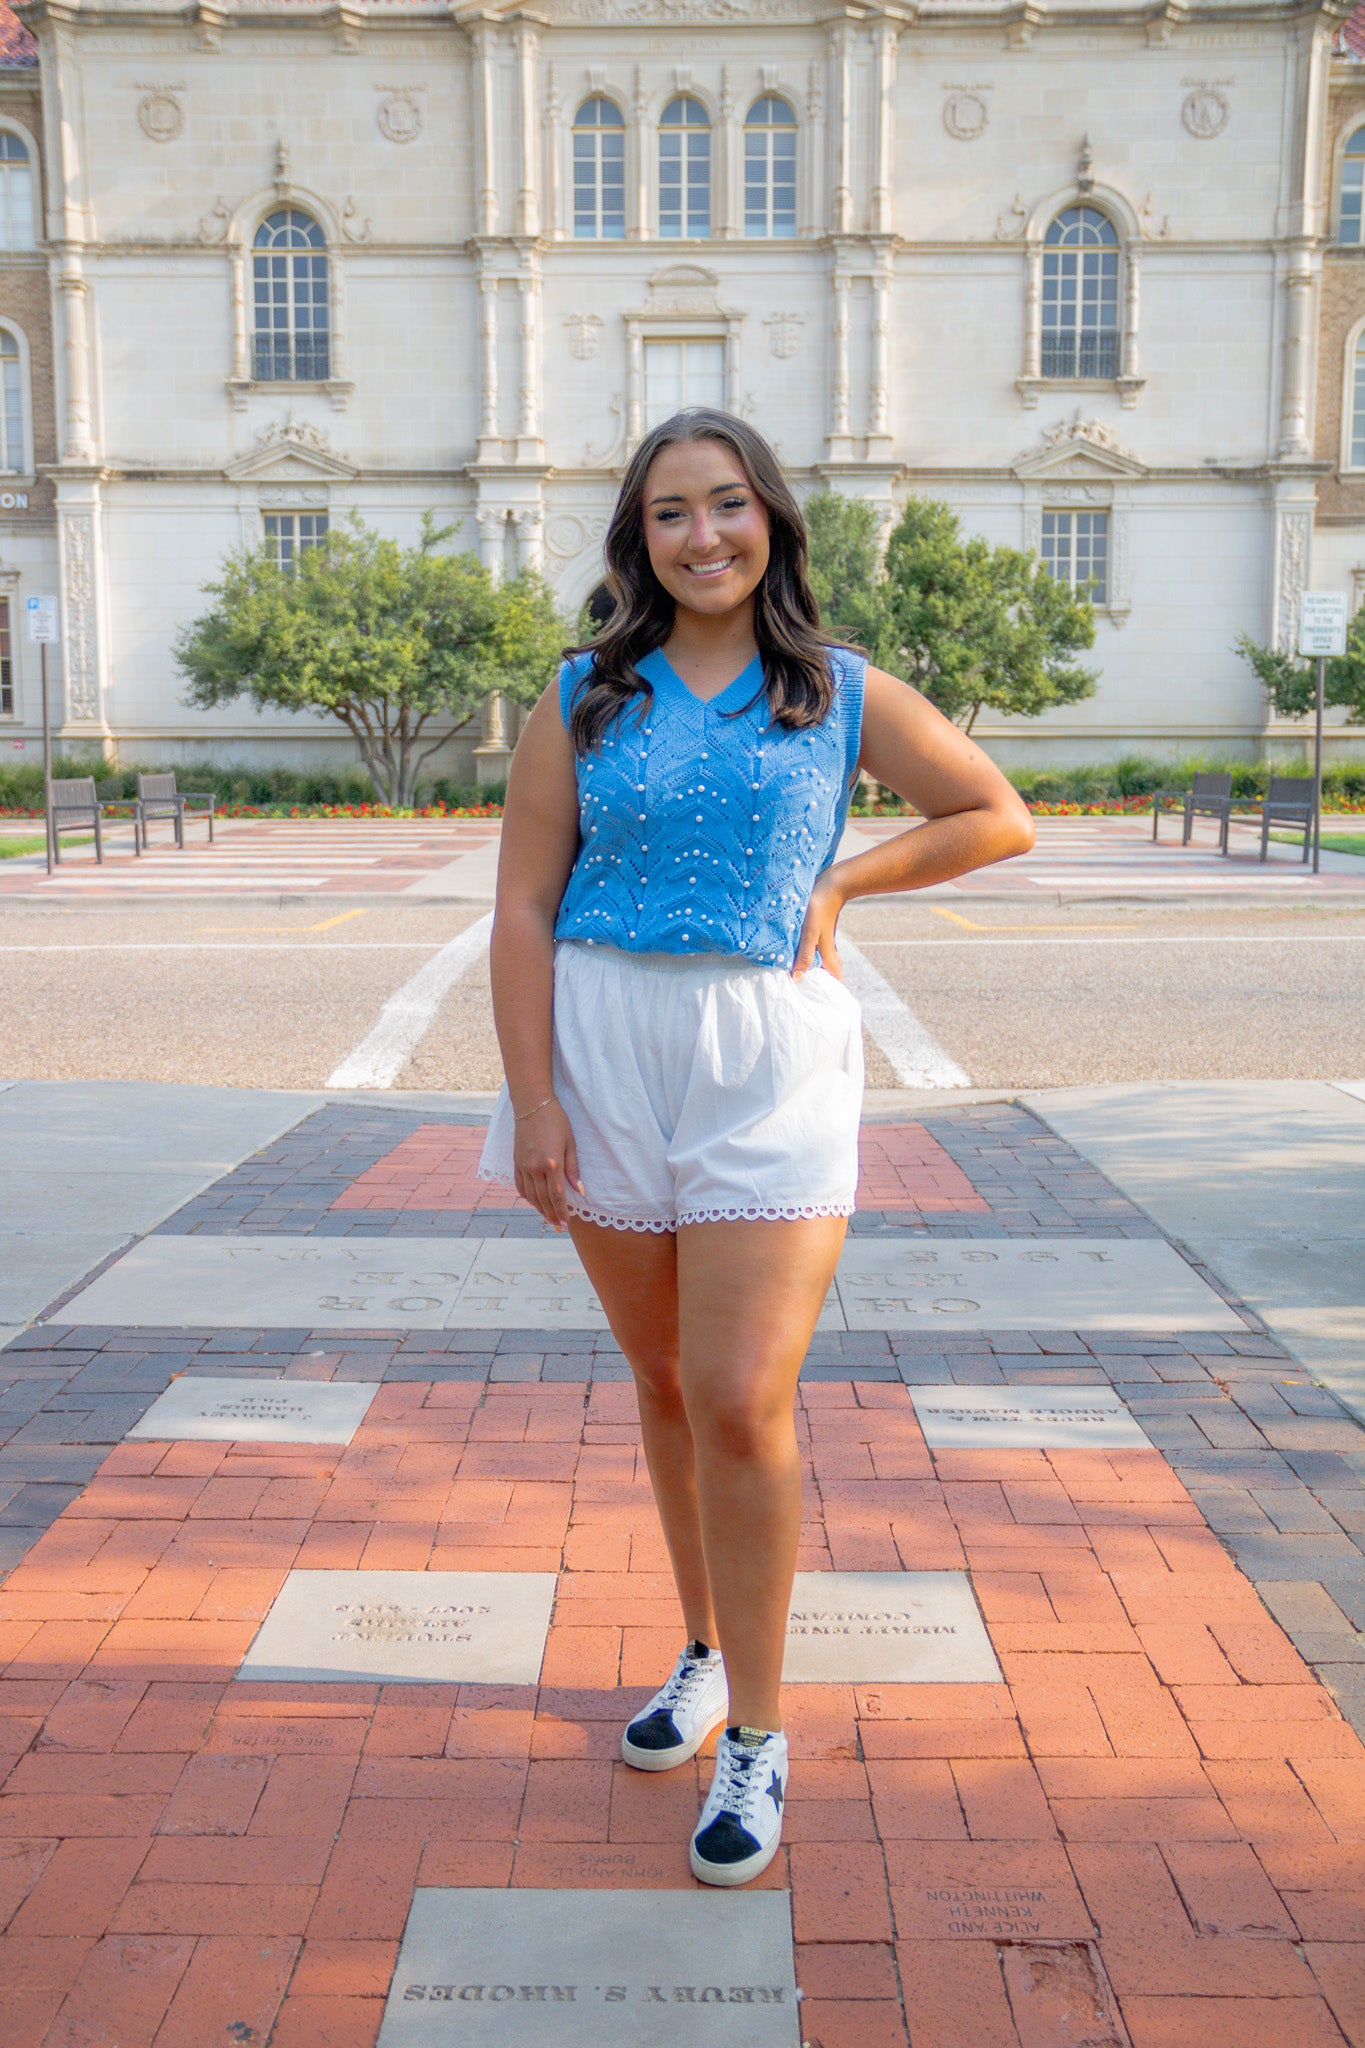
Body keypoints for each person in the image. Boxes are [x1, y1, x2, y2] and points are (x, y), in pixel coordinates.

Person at [481, 408, 1033, 1886]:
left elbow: (994, 813)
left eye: (728, 506)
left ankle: (761, 1733)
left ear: (772, 521)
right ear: (637, 538)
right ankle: (704, 1649)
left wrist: (846, 884)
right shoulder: (584, 695)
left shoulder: (834, 689)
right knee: (660, 1379)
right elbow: (523, 905)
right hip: (602, 1053)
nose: (703, 535)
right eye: (670, 512)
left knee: (738, 1395)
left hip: (766, 1059)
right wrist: (535, 1100)